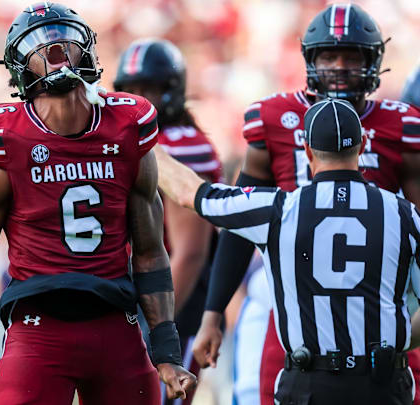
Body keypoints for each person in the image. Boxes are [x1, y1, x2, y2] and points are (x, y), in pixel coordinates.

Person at [0, 3, 197, 404]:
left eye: (65, 39)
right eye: (39, 45)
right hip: (38, 328)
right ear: (20, 66)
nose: (55, 52)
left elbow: (151, 253)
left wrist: (167, 354)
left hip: (116, 323)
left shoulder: (125, 132)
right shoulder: (6, 141)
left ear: (88, 50)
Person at [189, 4, 420, 405]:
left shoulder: (402, 127)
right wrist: (214, 311)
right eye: (329, 56)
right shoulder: (275, 118)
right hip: (291, 296)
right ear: (311, 60)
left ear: (374, 62)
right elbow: (241, 228)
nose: (340, 67)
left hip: (373, 295)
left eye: (353, 56)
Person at [158, 97, 420, 405]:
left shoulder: (278, 209)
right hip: (382, 384)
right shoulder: (405, 215)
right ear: (362, 147)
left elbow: (189, 193)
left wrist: (145, 139)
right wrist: (397, 341)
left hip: (309, 383)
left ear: (307, 150)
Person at [113, 38, 222, 405]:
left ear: (171, 90)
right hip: (146, 289)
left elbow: (190, 252)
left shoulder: (179, 143)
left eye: (149, 89)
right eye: (131, 91)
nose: (140, 99)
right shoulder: (148, 139)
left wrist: (157, 328)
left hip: (178, 295)